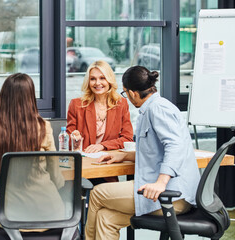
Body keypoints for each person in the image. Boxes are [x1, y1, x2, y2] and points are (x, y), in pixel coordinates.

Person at [84, 66, 201, 240]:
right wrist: (123, 155)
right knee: (105, 218)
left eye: (125, 93)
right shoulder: (153, 107)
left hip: (172, 195)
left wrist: (161, 183)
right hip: (163, 193)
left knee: (97, 194)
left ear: (132, 93)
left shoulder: (158, 109)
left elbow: (174, 146)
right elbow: (154, 152)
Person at [0, 73, 65, 229]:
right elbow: (55, 173)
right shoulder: (42, 126)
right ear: (31, 97)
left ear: (3, 96)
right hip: (50, 213)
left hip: (10, 216)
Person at [66, 60, 133, 153]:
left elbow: (127, 139)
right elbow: (68, 143)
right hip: (85, 160)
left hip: (111, 160)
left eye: (102, 78)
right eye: (93, 79)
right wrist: (75, 140)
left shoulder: (121, 104)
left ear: (109, 80)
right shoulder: (76, 105)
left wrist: (102, 146)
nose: (97, 83)